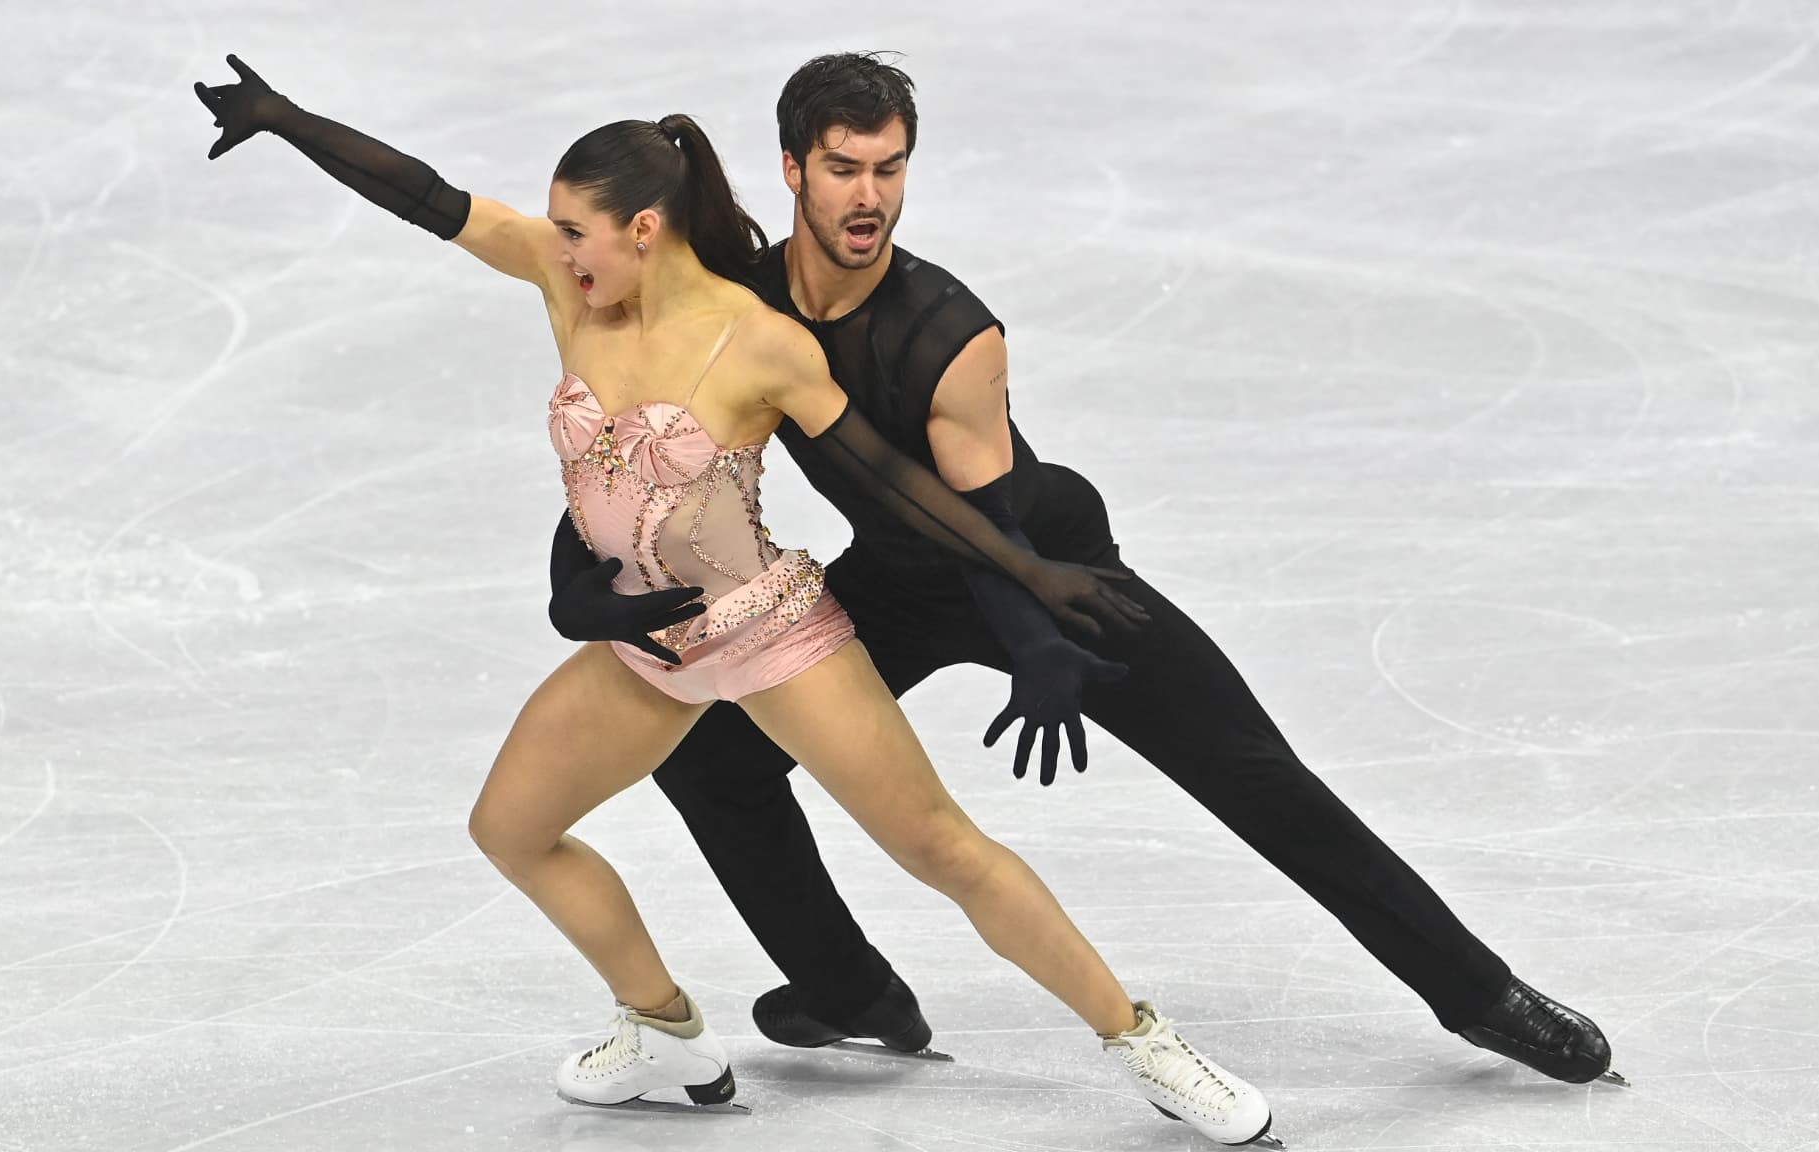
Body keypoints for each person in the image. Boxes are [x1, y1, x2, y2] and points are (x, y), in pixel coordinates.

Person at [191, 54, 1280, 1147]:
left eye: (578, 231)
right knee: (511, 827)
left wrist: (1032, 576)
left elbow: (893, 481)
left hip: (767, 632)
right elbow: (425, 195)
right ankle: (663, 1026)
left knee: (939, 847)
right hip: (647, 649)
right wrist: (289, 120)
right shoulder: (564, 283)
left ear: (646, 229)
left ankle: (1146, 1046)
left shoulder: (758, 342)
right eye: (557, 230)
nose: (555, 248)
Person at [548, 52, 1624, 1089]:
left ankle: (1480, 994)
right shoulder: (743, 303)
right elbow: (638, 438)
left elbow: (993, 526)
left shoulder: (950, 332)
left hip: (1044, 568)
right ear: (793, 171)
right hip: (900, 578)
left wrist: (1037, 641)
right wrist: (574, 576)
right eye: (842, 168)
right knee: (709, 762)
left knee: (1253, 777)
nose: (868, 195)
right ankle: (849, 988)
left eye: (888, 167)